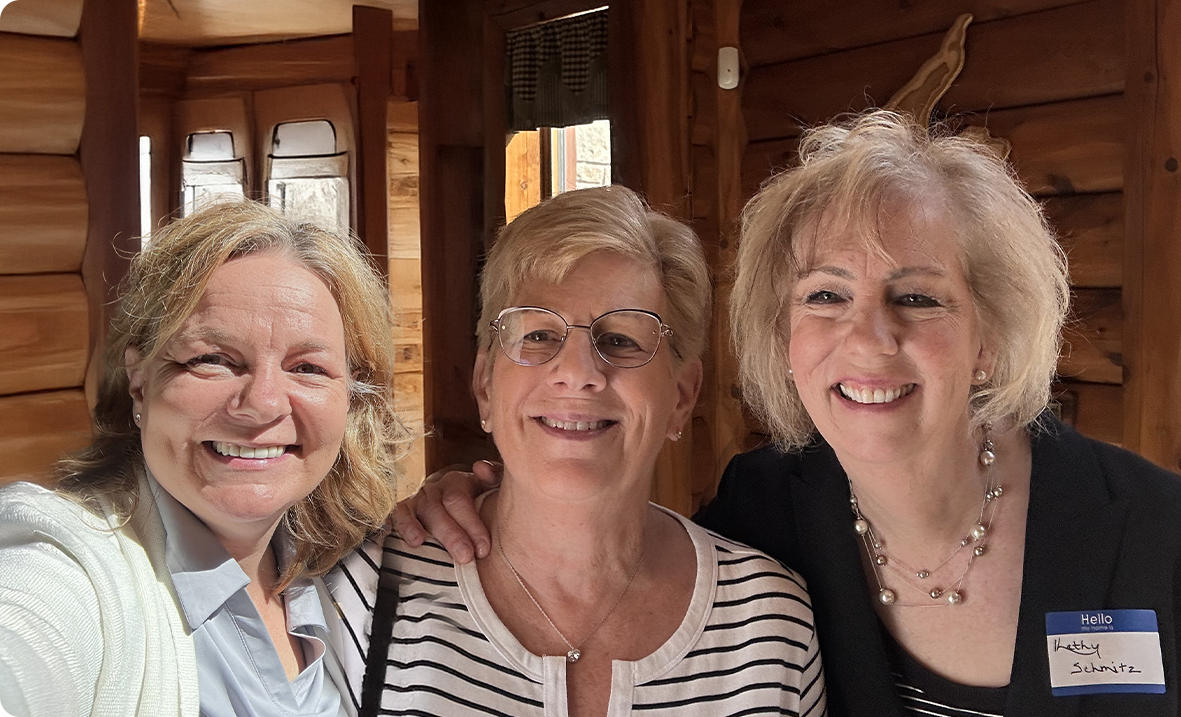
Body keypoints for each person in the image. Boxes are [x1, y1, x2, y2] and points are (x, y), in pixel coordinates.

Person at [396, 110, 1181, 716]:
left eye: (916, 295)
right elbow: (598, 530)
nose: (869, 337)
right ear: (786, 339)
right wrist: (470, 496)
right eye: (825, 296)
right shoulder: (765, 512)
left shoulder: (1153, 532)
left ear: (990, 336)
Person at [336, 185, 825, 717]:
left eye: (621, 339)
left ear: (681, 398)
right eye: (539, 335)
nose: (577, 373)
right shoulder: (370, 590)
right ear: (484, 386)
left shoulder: (769, 625)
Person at [0, 200, 403, 717]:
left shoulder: (348, 567)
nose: (263, 403)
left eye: (307, 367)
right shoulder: (70, 566)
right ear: (140, 384)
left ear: (352, 396)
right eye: (213, 359)